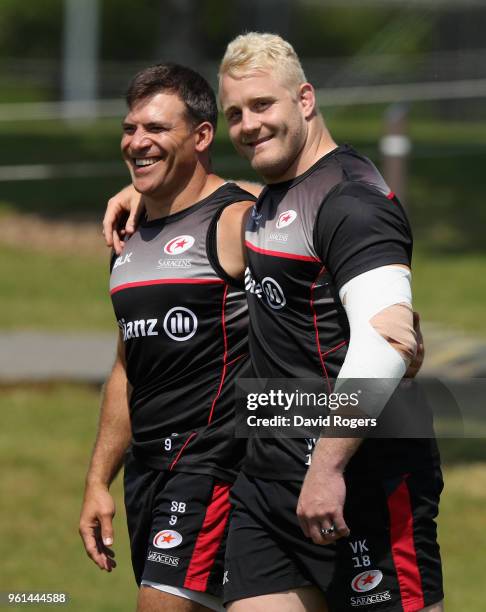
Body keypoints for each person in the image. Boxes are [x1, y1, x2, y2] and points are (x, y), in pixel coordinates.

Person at [101, 35, 438, 612]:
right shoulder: (270, 203)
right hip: (268, 482)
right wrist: (144, 188)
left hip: (363, 474)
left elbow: (388, 339)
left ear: (304, 100)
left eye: (263, 106)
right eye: (235, 113)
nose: (249, 125)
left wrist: (328, 467)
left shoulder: (352, 199)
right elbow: (212, 201)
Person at [79, 63, 258, 612]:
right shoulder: (127, 238)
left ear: (202, 137)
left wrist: (394, 329)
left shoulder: (236, 221)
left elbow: (316, 210)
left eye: (156, 129)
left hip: (212, 464)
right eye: (131, 128)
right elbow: (127, 368)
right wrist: (98, 481)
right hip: (147, 474)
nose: (137, 142)